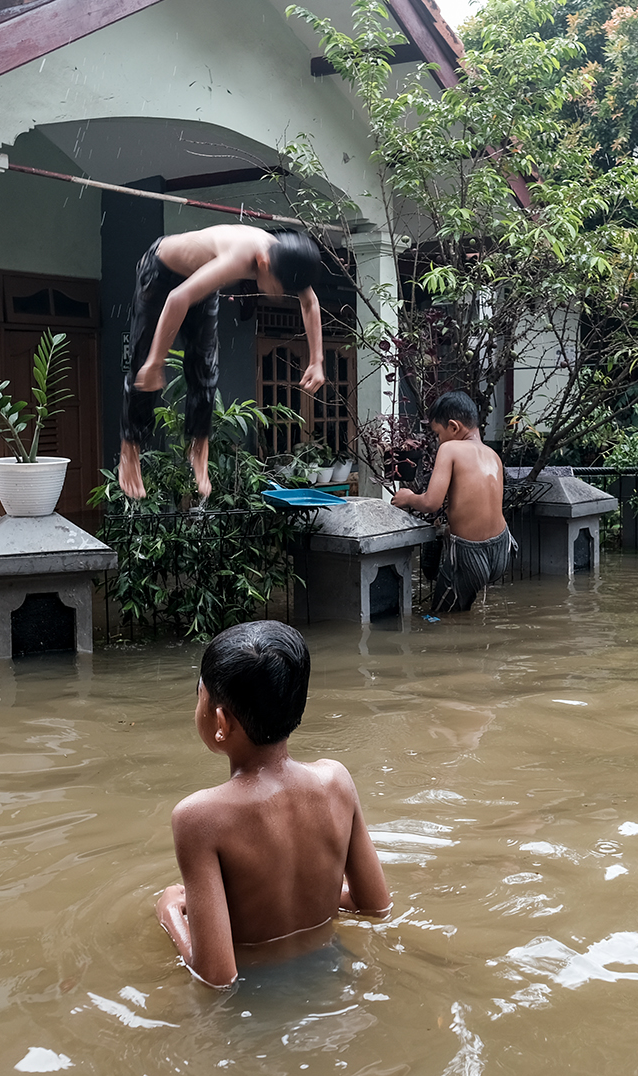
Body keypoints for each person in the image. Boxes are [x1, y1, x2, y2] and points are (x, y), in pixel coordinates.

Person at [155, 621, 390, 988]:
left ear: (220, 720)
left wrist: (170, 913)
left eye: (199, 693)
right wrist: (320, 899)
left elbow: (216, 975)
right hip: (334, 978)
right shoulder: (336, 780)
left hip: (257, 1003)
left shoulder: (199, 817)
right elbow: (376, 907)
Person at [120, 225, 326, 501]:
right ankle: (129, 450)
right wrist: (156, 362)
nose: (276, 296)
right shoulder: (241, 257)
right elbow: (177, 297)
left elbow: (310, 303)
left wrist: (317, 360)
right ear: (263, 263)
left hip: (199, 281)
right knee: (143, 365)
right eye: (277, 288)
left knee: (205, 368)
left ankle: (199, 449)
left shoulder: (288, 257)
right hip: (161, 272)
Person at [392, 392, 511, 613]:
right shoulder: (492, 454)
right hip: (501, 549)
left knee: (439, 618)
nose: (438, 440)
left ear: (454, 427)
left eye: (438, 433)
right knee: (461, 608)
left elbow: (431, 503)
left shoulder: (450, 449)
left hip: (470, 555)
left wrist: (408, 498)